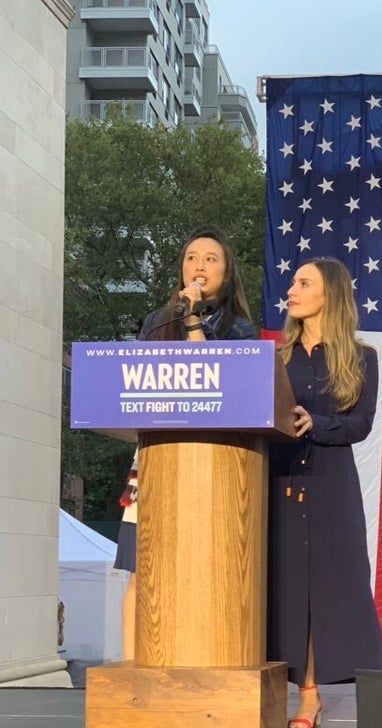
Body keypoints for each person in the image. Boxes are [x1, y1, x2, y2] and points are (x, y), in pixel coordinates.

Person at [113, 225, 257, 659]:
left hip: (214, 464)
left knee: (203, 567)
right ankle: (134, 665)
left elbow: (223, 381)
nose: (200, 266)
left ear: (227, 274)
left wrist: (194, 319)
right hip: (156, 459)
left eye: (211, 259)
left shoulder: (240, 330)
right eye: (192, 257)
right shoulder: (158, 322)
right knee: (142, 571)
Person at [268, 257, 382, 728]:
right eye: (293, 282)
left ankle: (311, 694)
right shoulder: (277, 358)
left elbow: (360, 424)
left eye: (303, 283)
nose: (292, 289)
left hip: (331, 482)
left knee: (331, 587)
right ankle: (289, 686)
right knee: (283, 586)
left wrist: (316, 423)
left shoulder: (362, 358)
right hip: (278, 479)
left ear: (329, 295)